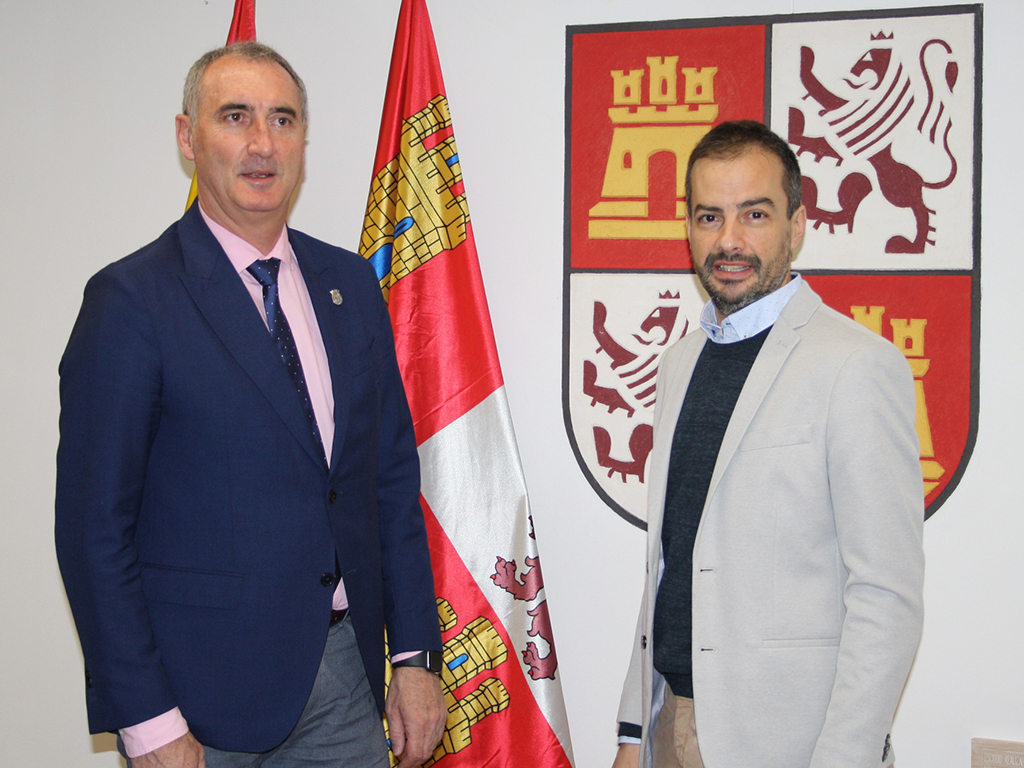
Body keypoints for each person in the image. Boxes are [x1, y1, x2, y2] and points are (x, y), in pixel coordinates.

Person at [55, 42, 446, 768]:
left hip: (345, 684)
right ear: (187, 137)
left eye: (283, 119)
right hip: (197, 709)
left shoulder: (351, 284)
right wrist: (147, 722)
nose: (262, 143)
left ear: (303, 140)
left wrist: (417, 657)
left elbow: (388, 484)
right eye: (235, 117)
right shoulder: (132, 300)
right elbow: (93, 532)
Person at [611, 121, 925, 768]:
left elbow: (885, 596)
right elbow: (669, 566)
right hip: (670, 726)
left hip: (793, 745)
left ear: (798, 224)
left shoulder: (856, 366)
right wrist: (631, 733)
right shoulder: (677, 365)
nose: (729, 240)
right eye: (709, 217)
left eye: (754, 214)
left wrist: (844, 758)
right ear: (689, 229)